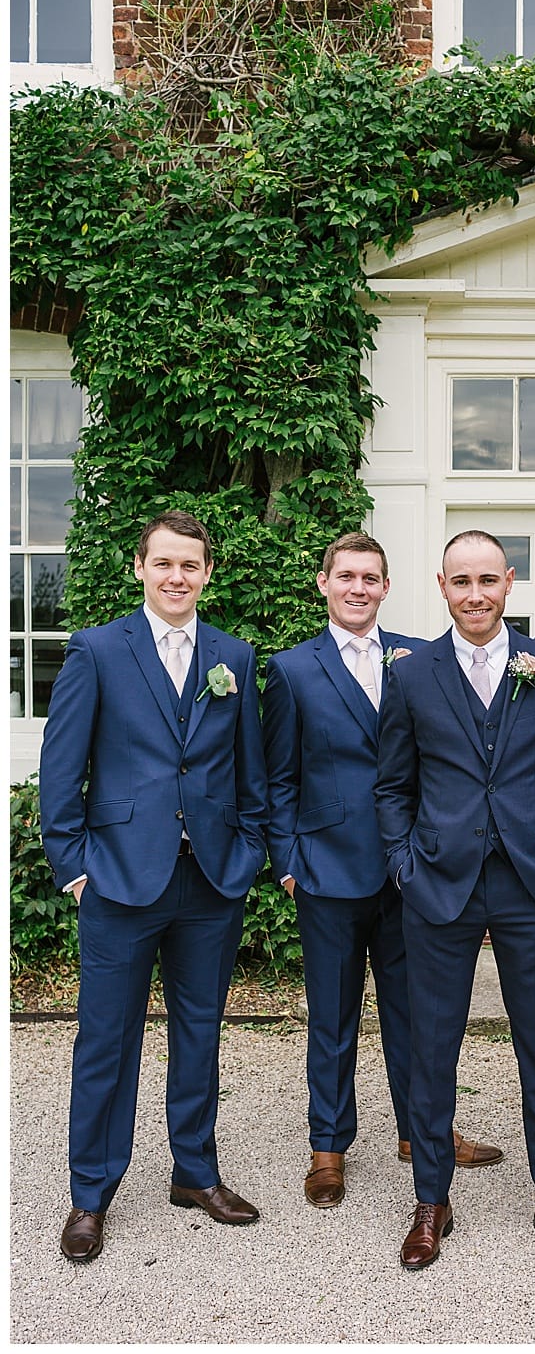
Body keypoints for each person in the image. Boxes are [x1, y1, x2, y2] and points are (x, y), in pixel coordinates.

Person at [39, 510, 268, 1263]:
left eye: (191, 565)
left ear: (208, 573)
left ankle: (194, 1172)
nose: (178, 576)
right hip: (117, 878)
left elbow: (249, 770)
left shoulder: (233, 654)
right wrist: (75, 866)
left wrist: (248, 852)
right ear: (140, 566)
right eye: (164, 563)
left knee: (200, 1030)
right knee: (106, 1039)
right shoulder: (99, 650)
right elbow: (61, 767)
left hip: (209, 879)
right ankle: (91, 1192)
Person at [375, 531, 535, 1270]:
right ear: (442, 586)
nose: (474, 593)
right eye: (459, 581)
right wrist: (405, 862)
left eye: (487, 580)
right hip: (438, 883)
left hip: (534, 882)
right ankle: (431, 1200)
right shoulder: (410, 674)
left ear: (509, 582)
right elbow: (391, 785)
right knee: (433, 1050)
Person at [262, 532, 502, 1210]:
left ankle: (420, 1131)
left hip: (408, 870)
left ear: (387, 587)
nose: (358, 587)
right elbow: (278, 777)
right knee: (333, 1017)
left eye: (371, 577)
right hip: (326, 871)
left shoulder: (420, 660)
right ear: (325, 583)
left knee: (417, 1014)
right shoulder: (292, 669)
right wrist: (288, 863)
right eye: (347, 576)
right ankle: (328, 1149)